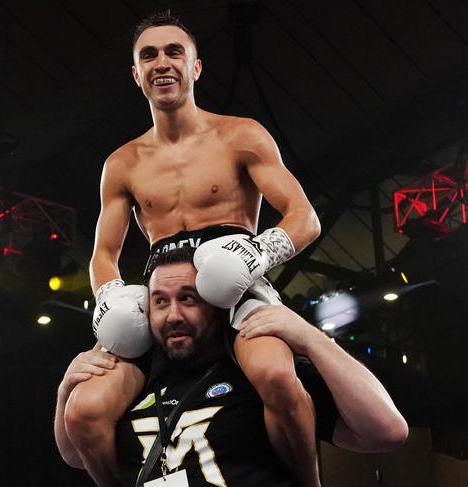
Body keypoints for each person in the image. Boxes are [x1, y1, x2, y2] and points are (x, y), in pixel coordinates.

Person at [67, 10, 321, 487]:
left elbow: (304, 218)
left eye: (173, 51)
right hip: (165, 299)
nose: (162, 62)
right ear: (136, 74)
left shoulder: (240, 135)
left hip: (236, 287)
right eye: (149, 55)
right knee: (84, 411)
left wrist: (256, 255)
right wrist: (110, 299)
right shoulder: (121, 163)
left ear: (196, 67)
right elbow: (104, 254)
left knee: (278, 378)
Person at [55, 248, 409, 486]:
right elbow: (74, 455)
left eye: (188, 299)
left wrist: (311, 339)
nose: (173, 315)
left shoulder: (262, 376)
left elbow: (386, 430)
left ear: (216, 304)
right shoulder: (135, 385)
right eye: (160, 302)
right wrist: (65, 392)